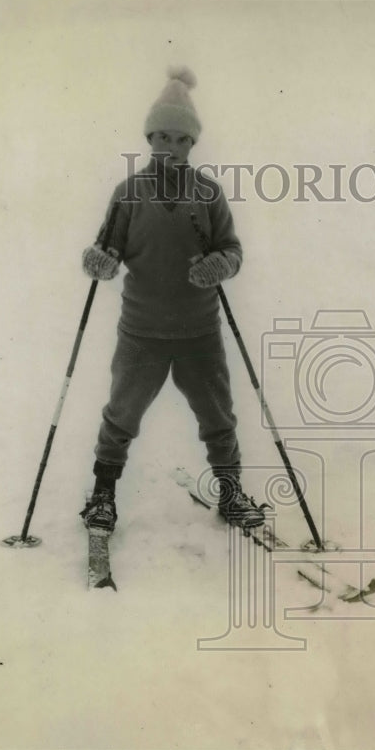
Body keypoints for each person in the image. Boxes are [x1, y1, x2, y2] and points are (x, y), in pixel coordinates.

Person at [78, 66, 265, 534]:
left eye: (180, 139)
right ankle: (103, 495)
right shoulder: (128, 194)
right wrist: (99, 261)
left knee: (218, 417)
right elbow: (108, 248)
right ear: (149, 137)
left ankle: (230, 492)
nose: (170, 146)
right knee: (121, 415)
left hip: (199, 332)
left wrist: (221, 264)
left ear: (192, 144)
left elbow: (233, 249)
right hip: (141, 331)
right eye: (162, 136)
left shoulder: (208, 194)